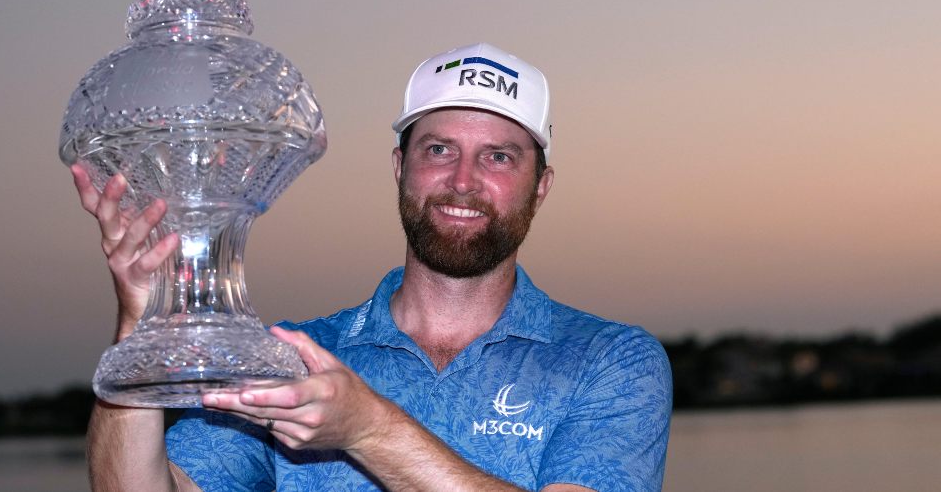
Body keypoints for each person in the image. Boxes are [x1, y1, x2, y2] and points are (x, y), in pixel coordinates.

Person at [74, 43, 672, 492]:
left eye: (498, 156)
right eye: (439, 150)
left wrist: (365, 428)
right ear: (399, 167)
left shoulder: (611, 360)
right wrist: (142, 329)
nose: (463, 181)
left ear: (540, 188)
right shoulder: (292, 360)